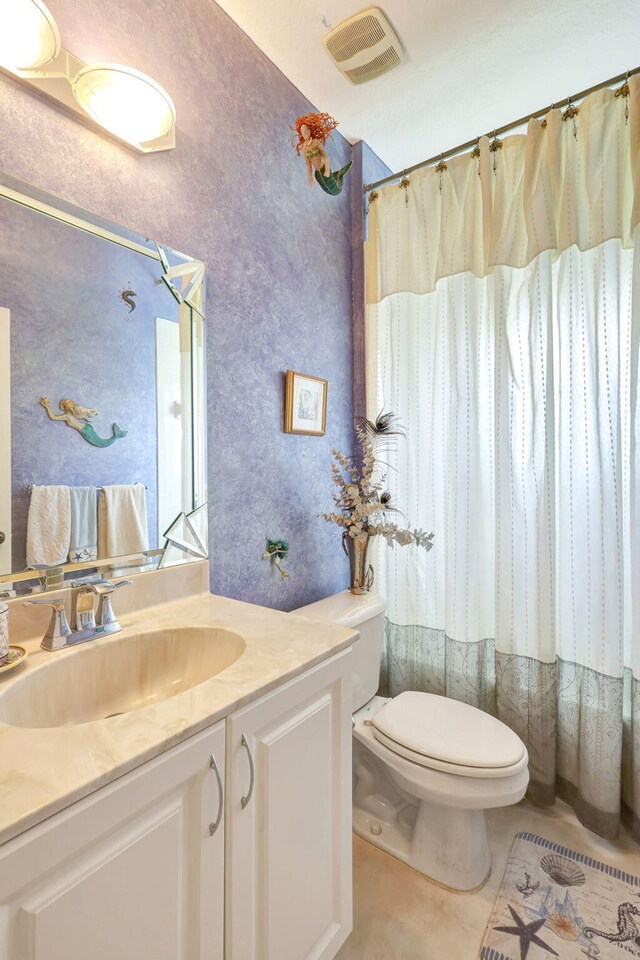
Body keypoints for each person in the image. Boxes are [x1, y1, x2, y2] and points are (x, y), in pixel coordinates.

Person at [291, 112, 352, 196]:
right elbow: (308, 164)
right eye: (302, 131)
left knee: (335, 189)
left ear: (309, 131)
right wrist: (310, 178)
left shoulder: (316, 142)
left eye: (305, 131)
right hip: (317, 174)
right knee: (327, 189)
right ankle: (337, 174)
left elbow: (325, 156)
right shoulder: (304, 148)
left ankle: (340, 174)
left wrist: (327, 170)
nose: (304, 133)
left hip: (323, 169)